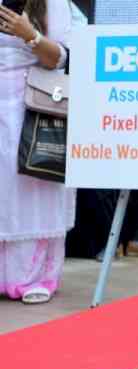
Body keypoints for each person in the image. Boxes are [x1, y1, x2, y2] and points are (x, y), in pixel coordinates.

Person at [0, 0, 74, 304]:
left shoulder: (53, 2)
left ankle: (32, 278)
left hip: (32, 103)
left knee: (33, 190)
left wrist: (30, 35)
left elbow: (61, 58)